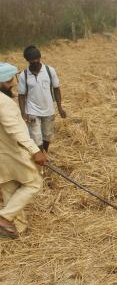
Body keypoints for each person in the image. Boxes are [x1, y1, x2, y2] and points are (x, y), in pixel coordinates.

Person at [0, 62, 47, 238]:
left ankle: (17, 230)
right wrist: (35, 150)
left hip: (2, 156)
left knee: (10, 190)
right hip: (12, 153)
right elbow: (15, 129)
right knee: (34, 183)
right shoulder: (3, 102)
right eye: (7, 81)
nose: (12, 83)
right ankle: (4, 218)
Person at [18, 45, 66, 153]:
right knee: (35, 136)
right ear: (27, 60)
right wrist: (23, 113)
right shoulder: (23, 75)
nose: (35, 62)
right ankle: (41, 156)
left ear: (40, 58)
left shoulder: (50, 71)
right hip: (32, 110)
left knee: (47, 135)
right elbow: (21, 96)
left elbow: (56, 89)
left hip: (48, 109)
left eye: (37, 59)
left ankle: (44, 152)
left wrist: (60, 107)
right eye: (32, 60)